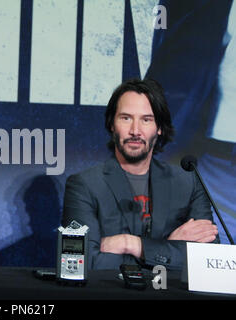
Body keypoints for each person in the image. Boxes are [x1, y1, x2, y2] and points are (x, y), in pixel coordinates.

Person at [62, 79, 219, 271]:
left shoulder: (188, 183)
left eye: (146, 119)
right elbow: (86, 263)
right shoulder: (85, 185)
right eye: (126, 118)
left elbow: (208, 260)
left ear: (159, 128)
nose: (135, 131)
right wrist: (167, 247)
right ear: (112, 124)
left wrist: (131, 244)